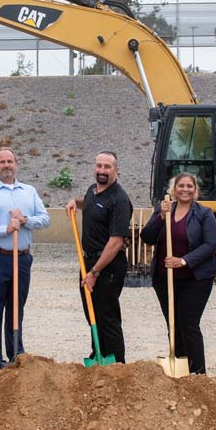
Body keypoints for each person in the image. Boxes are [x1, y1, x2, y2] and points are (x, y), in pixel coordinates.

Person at [0, 147, 50, 370]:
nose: (6, 165)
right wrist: (3, 229)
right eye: (2, 162)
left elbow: (45, 219)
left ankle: (16, 354)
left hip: (22, 258)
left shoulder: (29, 192)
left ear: (16, 164)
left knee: (17, 308)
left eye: (10, 161)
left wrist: (25, 220)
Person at [138, 172, 216, 374]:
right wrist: (160, 217)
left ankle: (198, 373)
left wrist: (183, 261)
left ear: (195, 190)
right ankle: (180, 369)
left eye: (189, 186)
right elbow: (147, 237)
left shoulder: (204, 213)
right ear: (173, 189)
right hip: (164, 279)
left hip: (195, 279)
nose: (185, 189)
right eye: (181, 186)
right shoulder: (164, 209)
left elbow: (211, 244)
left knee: (188, 324)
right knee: (173, 324)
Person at [66, 151, 132, 363]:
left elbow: (116, 243)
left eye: (107, 167)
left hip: (108, 266)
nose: (102, 170)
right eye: (99, 166)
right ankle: (99, 353)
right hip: (88, 261)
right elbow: (90, 202)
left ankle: (116, 363)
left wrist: (95, 272)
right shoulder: (93, 191)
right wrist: (75, 202)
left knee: (107, 316)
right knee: (91, 312)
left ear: (116, 170)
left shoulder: (119, 199)